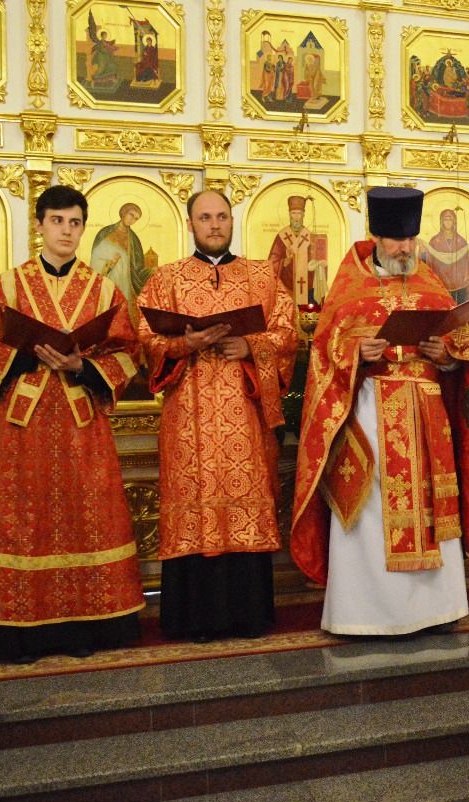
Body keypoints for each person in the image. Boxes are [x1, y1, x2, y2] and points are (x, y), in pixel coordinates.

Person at [290, 187, 469, 636]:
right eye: (397, 240)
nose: (405, 248)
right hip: (370, 408)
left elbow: (463, 349)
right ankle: (367, 614)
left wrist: (447, 357)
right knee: (372, 506)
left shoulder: (430, 283)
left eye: (411, 239)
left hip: (427, 413)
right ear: (377, 237)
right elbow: (323, 354)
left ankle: (435, 610)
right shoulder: (349, 287)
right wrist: (356, 353)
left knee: (431, 505)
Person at [0, 185, 143, 663]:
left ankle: (87, 626)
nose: (66, 231)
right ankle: (20, 633)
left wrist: (82, 365)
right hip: (23, 425)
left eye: (75, 222)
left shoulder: (103, 290)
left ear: (83, 228)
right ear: (39, 225)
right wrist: (26, 355)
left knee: (86, 517)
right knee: (23, 519)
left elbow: (127, 351)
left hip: (82, 423)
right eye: (57, 221)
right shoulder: (8, 286)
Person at [136, 190, 298, 642]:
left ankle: (248, 616)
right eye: (205, 217)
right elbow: (144, 339)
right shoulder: (165, 279)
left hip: (244, 417)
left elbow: (288, 335)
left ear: (231, 221)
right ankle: (195, 619)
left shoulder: (263, 277)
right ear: (191, 224)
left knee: (244, 499)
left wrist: (250, 345)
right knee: (193, 503)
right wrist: (184, 344)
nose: (214, 225)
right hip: (187, 418)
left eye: (222, 216)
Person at [90, 202, 150, 311]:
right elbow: (95, 259)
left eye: (136, 219)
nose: (132, 220)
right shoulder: (105, 233)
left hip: (125, 286)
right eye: (131, 215)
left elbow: (138, 268)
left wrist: (151, 272)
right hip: (108, 282)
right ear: (123, 213)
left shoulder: (134, 240)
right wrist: (110, 263)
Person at [268, 194, 325, 304]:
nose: (296, 217)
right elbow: (271, 264)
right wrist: (285, 261)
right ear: (289, 214)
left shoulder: (310, 237)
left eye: (299, 213)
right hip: (286, 291)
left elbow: (318, 264)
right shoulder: (281, 237)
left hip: (308, 291)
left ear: (303, 215)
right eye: (293, 213)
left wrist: (317, 265)